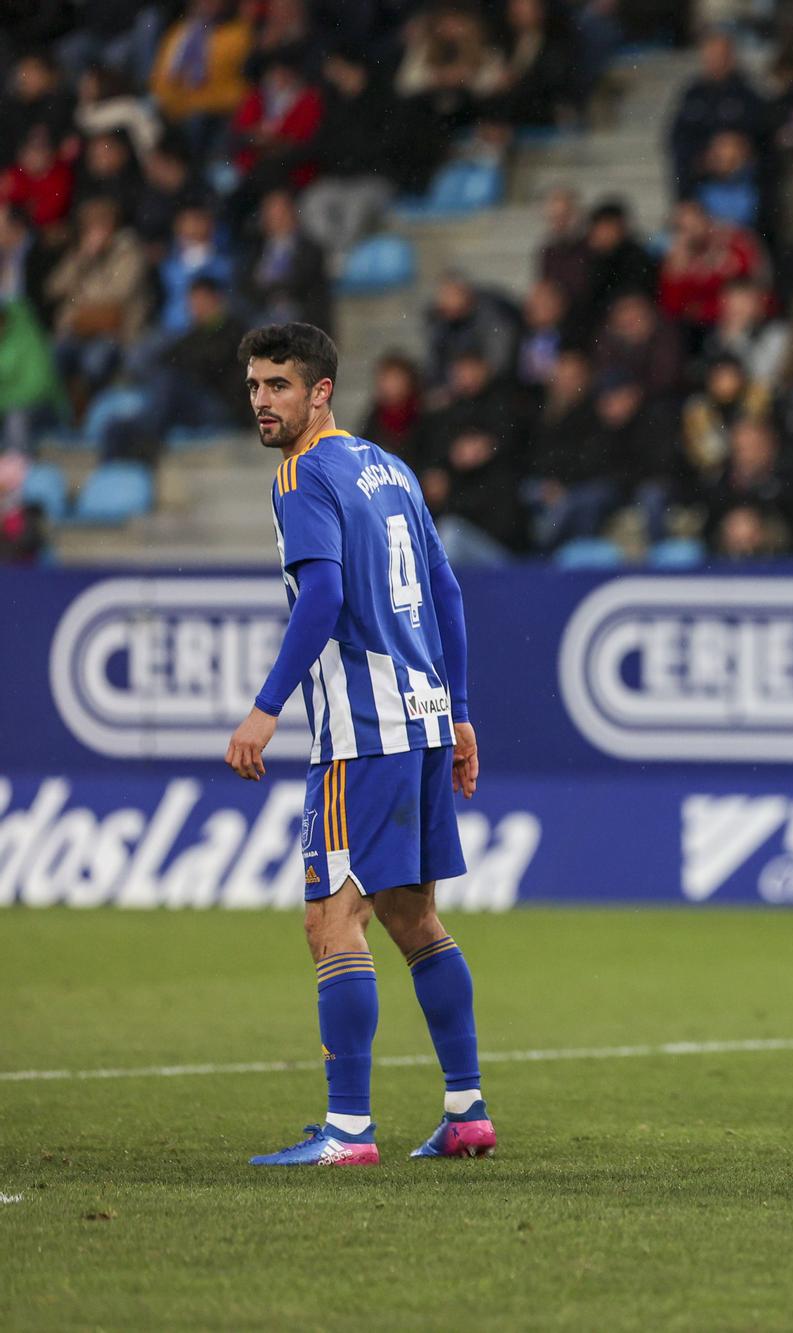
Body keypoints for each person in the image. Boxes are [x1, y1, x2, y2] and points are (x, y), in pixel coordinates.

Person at [222, 323, 493, 1167]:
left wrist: (266, 707)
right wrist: (457, 710)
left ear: (321, 391)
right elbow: (444, 589)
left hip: (362, 731)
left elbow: (324, 595)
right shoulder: (389, 466)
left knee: (330, 921)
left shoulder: (302, 474)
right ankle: (466, 1109)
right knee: (412, 914)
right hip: (417, 718)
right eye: (256, 386)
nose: (263, 401)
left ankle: (347, 1130)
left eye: (279, 385)